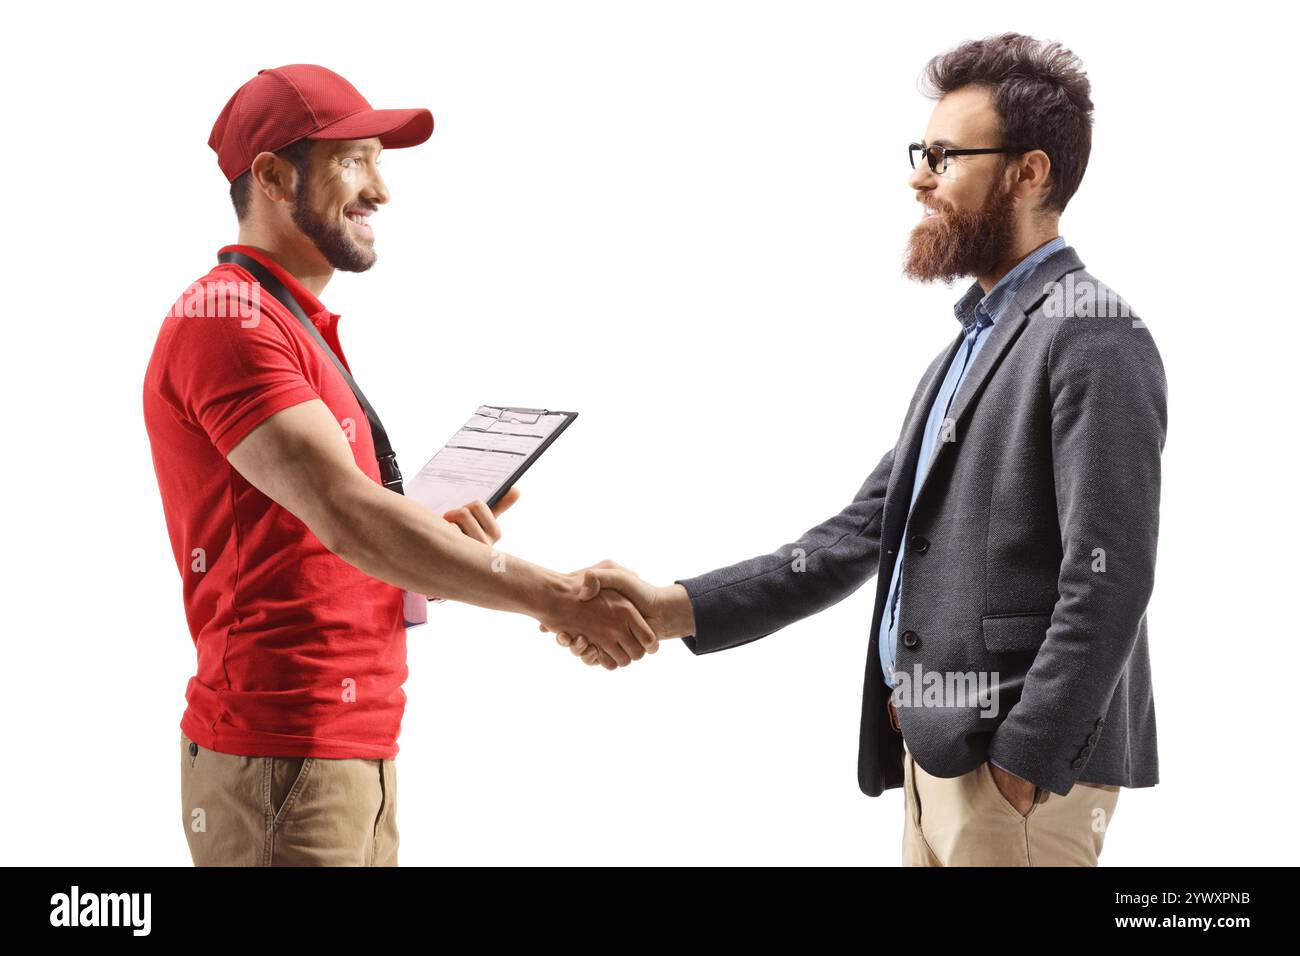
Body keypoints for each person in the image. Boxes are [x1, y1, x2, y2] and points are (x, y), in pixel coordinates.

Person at [554, 33, 1166, 867]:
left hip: (1013, 778)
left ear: (1029, 173)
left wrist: (1025, 760)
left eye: (945, 157)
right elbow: (857, 535)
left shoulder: (1093, 333)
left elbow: (1111, 574)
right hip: (937, 757)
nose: (919, 176)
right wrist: (668, 608)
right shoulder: (971, 349)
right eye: (923, 152)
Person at [143, 64, 655, 867]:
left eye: (382, 160)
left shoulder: (290, 322)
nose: (381, 189)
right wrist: (559, 597)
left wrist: (428, 542)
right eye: (355, 159)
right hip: (283, 753)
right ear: (274, 176)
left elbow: (333, 535)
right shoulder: (229, 319)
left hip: (342, 752)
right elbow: (350, 519)